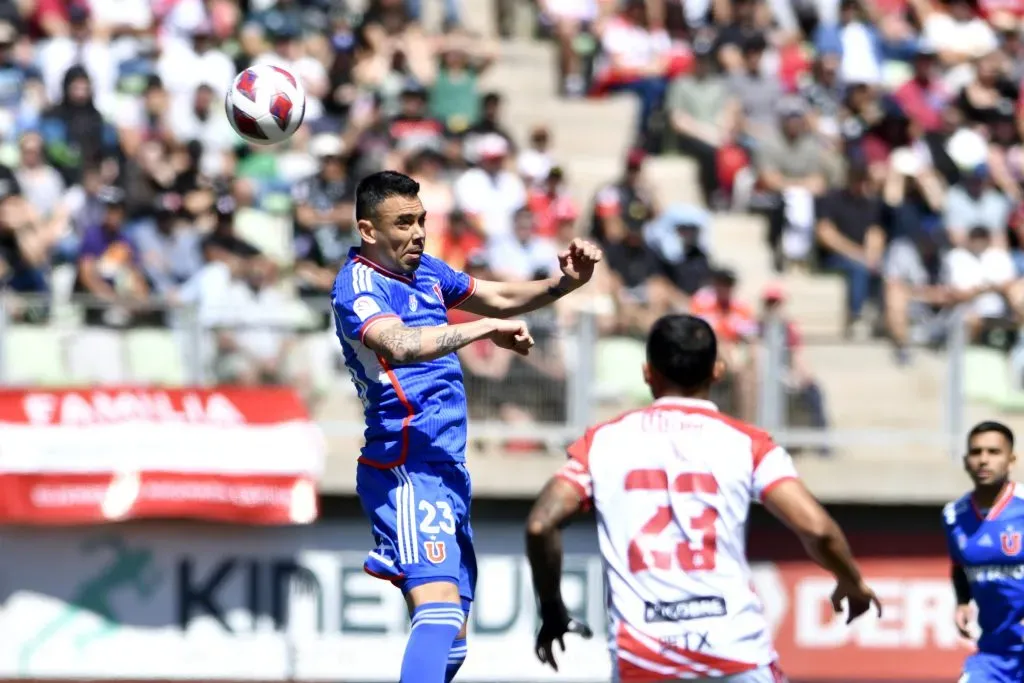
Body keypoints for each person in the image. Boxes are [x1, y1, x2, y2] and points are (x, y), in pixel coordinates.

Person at [331, 171, 602, 683]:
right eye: (403, 223)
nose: (418, 233)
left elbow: (498, 299)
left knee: (453, 639)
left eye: (422, 220)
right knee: (436, 613)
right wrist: (480, 329)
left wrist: (566, 283)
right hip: (405, 466)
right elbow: (401, 345)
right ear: (368, 230)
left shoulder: (426, 271)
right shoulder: (358, 285)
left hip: (448, 468)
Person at [525, 314, 881, 680]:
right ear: (718, 371)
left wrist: (552, 609)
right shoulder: (747, 444)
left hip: (646, 660)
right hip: (734, 651)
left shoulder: (602, 443)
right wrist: (850, 580)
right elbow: (818, 529)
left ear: (648, 373)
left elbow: (540, 524)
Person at [944, 421, 1024, 683]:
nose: (984, 460)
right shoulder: (955, 515)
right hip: (994, 655)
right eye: (976, 452)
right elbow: (959, 565)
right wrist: (963, 601)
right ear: (966, 461)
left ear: (1011, 460)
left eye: (993, 452)